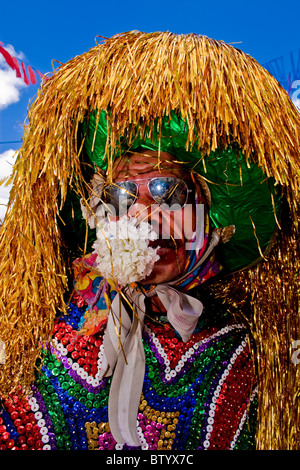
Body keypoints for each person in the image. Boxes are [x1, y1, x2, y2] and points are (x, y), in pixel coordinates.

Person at [0, 31, 299, 451]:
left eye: (167, 192)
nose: (142, 214)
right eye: (122, 195)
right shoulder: (38, 331)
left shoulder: (247, 350)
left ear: (206, 211)